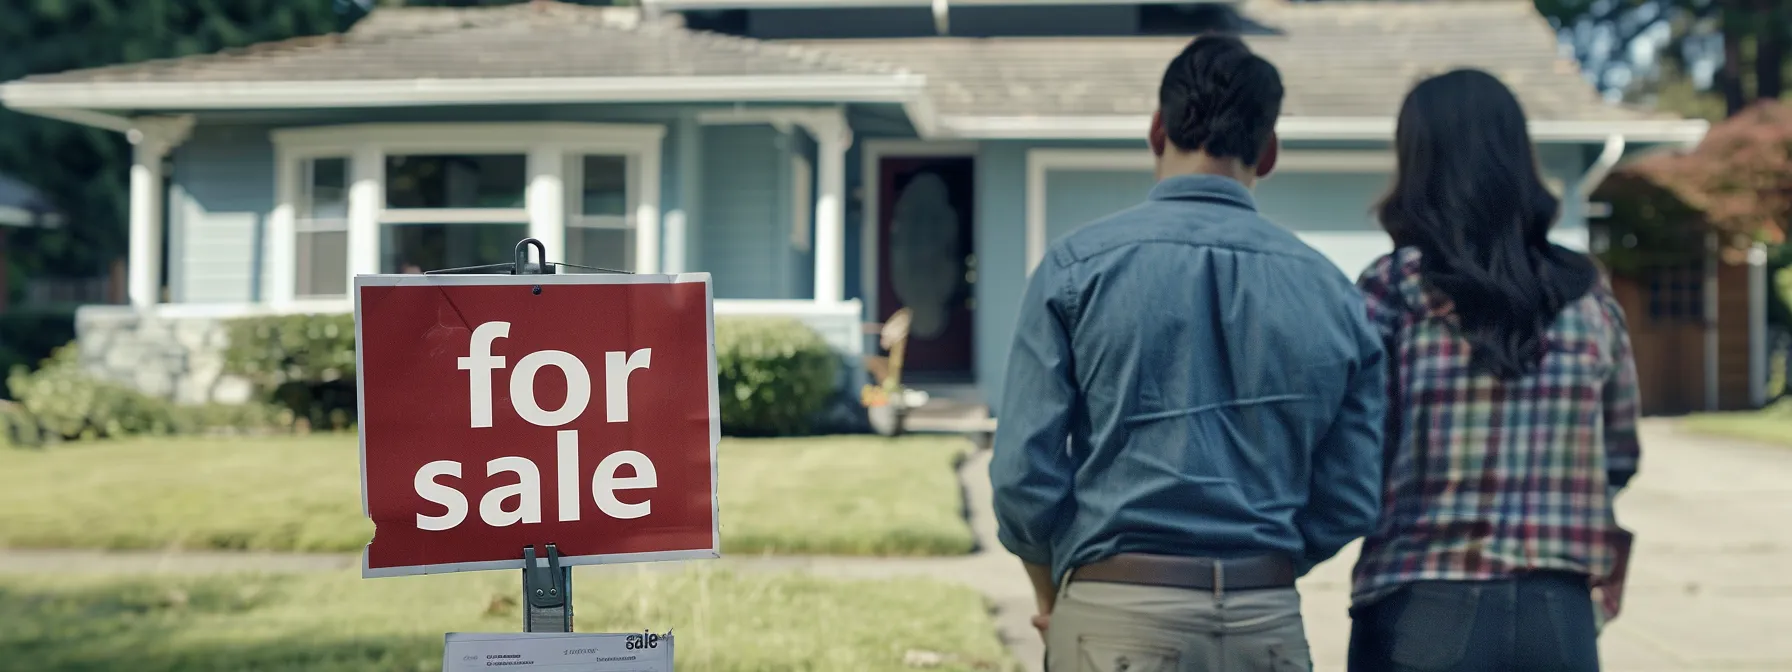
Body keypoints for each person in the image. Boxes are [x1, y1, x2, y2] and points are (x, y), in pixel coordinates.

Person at [989, 34, 1387, 672]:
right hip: (1268, 622)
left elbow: (1021, 479)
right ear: (1270, 152)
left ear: (1156, 130)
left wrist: (1052, 594)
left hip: (1114, 615)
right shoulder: (1333, 294)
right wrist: (1263, 562)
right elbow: (1352, 494)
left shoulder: (1075, 268)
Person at [1345, 69, 1642, 672]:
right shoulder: (1589, 297)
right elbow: (1619, 456)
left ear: (1418, 164)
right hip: (1558, 619)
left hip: (1421, 610)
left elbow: (1353, 454)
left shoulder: (1392, 290)